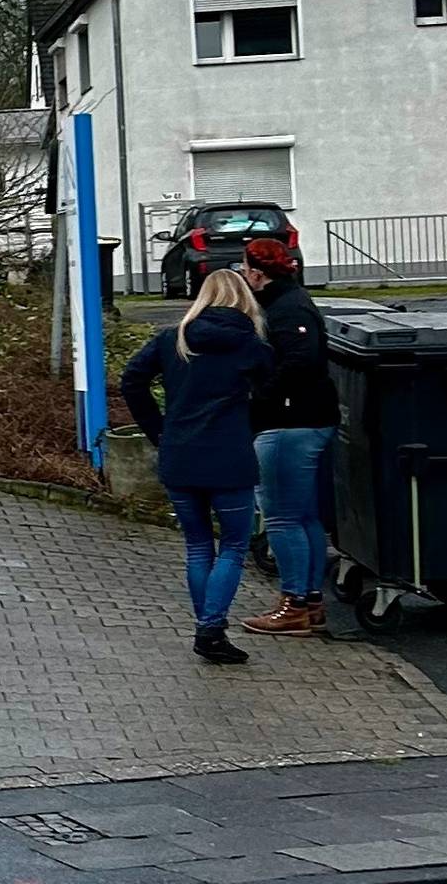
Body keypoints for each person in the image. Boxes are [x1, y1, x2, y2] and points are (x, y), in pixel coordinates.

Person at [121, 269, 274, 665]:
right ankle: (210, 627)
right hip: (230, 458)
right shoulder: (251, 346)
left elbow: (132, 380)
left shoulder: (174, 338)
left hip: (181, 455)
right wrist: (247, 424)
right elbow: (271, 395)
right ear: (244, 299)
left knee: (197, 545)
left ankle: (208, 627)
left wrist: (159, 430)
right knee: (234, 545)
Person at [238, 238, 338, 637]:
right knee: (305, 515)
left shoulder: (285, 309)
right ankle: (310, 600)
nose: (243, 276)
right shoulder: (292, 301)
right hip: (308, 420)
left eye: (246, 269)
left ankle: (293, 602)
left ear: (258, 274)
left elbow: (300, 358)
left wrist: (260, 395)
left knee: (280, 516)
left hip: (287, 424)